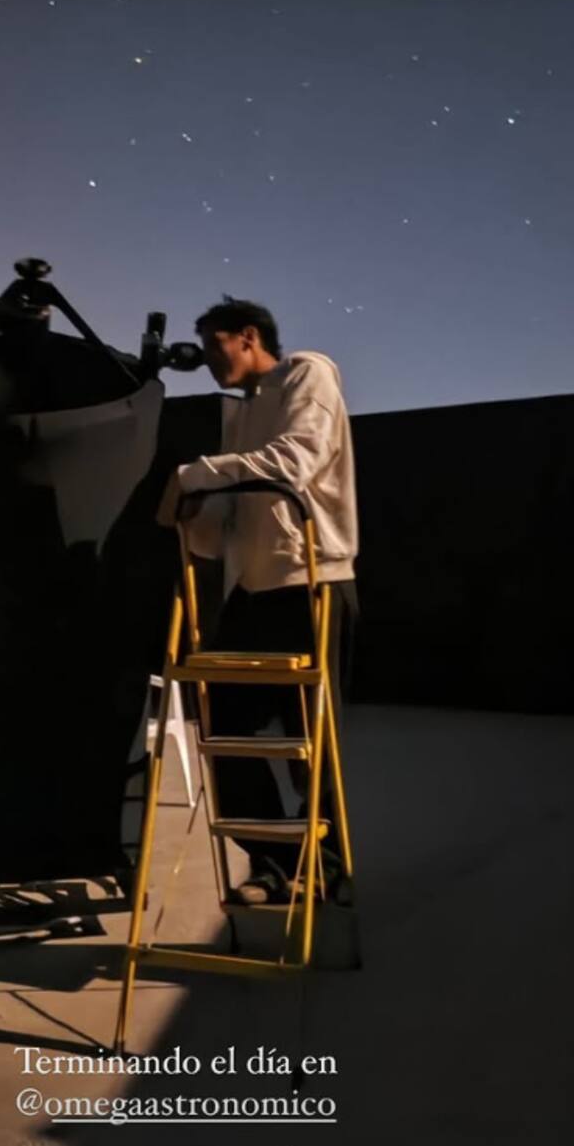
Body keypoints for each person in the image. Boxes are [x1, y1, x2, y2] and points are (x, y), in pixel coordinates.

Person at [157, 295, 359, 905]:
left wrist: (196, 474)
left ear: (248, 337)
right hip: (254, 589)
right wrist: (191, 516)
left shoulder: (305, 372)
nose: (213, 362)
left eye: (217, 345)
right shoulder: (241, 415)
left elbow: (297, 458)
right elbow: (226, 528)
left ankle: (325, 868)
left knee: (309, 736)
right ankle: (274, 865)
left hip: (312, 579)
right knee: (222, 723)